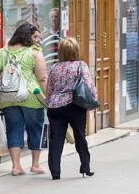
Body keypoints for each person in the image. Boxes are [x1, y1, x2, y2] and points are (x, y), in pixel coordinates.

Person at [0, 23, 48, 175]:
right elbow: (42, 77)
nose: (38, 40)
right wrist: (48, 97)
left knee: (13, 129)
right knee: (35, 128)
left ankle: (16, 166)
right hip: (31, 95)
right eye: (35, 36)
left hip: (8, 97)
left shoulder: (2, 52)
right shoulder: (35, 52)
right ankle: (35, 165)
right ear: (26, 36)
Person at [46, 38, 97, 180]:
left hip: (56, 106)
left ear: (60, 52)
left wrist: (48, 103)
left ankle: (55, 172)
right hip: (75, 105)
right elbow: (88, 84)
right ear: (76, 51)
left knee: (56, 139)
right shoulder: (81, 65)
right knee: (80, 136)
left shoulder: (54, 67)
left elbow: (49, 88)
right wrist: (94, 97)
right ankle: (85, 167)